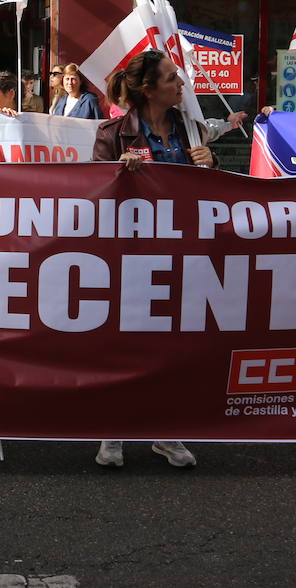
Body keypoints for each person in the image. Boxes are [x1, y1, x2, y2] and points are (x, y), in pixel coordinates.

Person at [91, 49, 213, 469]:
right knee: (123, 346)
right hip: (130, 258)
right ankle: (114, 430)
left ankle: (165, 430)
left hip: (181, 256)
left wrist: (208, 165)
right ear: (148, 90)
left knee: (171, 348)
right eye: (171, 79)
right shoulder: (113, 134)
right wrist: (115, 176)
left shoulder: (192, 132)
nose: (180, 84)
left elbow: (212, 198)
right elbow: (92, 198)